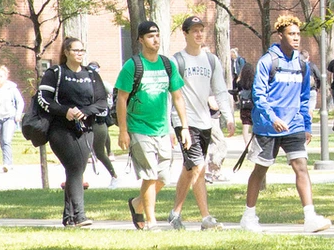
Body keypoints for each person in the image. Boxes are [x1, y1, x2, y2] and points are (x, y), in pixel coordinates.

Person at [240, 15, 334, 233]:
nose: (296, 38)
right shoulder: (267, 61)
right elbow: (259, 95)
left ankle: (310, 217)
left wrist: (307, 125)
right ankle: (248, 216)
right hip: (268, 127)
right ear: (280, 35)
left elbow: (305, 97)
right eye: (291, 34)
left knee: (301, 166)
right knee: (260, 169)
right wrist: (273, 119)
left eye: (298, 34)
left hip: (294, 125)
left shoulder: (302, 64)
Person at [115, 21, 191, 231]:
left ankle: (138, 203)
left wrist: (183, 127)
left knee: (164, 177)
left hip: (161, 129)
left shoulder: (167, 64)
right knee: (149, 175)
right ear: (140, 40)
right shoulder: (133, 65)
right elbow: (121, 99)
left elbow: (177, 97)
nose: (155, 40)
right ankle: (151, 221)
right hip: (139, 127)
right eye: (150, 36)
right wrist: (123, 131)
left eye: (157, 35)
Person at [166, 16, 233, 230]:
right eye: (194, 30)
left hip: (205, 122)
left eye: (201, 30)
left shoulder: (211, 60)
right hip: (184, 122)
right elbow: (170, 95)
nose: (199, 34)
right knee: (199, 167)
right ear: (185, 34)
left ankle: (175, 213)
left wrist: (228, 115)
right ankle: (206, 219)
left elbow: (220, 89)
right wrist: (169, 125)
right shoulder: (177, 61)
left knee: (190, 169)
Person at [40, 38, 111, 227]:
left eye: (82, 50)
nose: (80, 53)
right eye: (76, 50)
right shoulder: (55, 73)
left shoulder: (91, 75)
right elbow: (43, 98)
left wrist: (85, 111)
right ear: (66, 52)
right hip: (60, 129)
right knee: (74, 166)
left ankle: (68, 217)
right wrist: (66, 111)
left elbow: (102, 102)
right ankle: (80, 215)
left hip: (85, 129)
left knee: (77, 169)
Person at [86, 62, 123, 188]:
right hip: (85, 123)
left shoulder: (103, 86)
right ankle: (76, 180)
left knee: (100, 152)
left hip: (98, 122)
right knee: (79, 152)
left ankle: (114, 176)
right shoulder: (84, 86)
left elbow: (110, 100)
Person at [0, 65, 25, 173]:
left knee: (6, 139)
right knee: (2, 141)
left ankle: (7, 164)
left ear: (5, 77)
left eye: (1, 76)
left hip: (9, 117)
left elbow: (20, 102)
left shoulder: (12, 88)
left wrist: (18, 114)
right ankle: (9, 161)